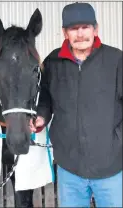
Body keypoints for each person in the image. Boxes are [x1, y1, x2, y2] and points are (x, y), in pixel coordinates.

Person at [29, 2, 122, 207]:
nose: (80, 34)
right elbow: (45, 98)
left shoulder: (116, 60)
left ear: (95, 29)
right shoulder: (53, 62)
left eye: (85, 27)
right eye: (73, 28)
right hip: (69, 168)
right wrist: (41, 117)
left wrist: (118, 139)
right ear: (65, 32)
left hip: (110, 168)